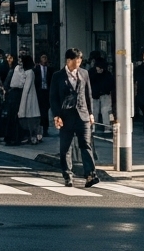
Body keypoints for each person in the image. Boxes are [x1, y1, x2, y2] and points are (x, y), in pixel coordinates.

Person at [49, 48, 100, 188]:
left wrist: (90, 113)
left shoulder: (84, 73)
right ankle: (67, 175)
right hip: (66, 116)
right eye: (76, 60)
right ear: (68, 60)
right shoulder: (57, 76)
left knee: (86, 145)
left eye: (80, 60)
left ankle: (90, 174)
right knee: (65, 147)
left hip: (82, 115)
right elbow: (53, 98)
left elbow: (88, 94)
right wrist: (56, 115)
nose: (78, 63)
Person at [9, 55, 42, 145]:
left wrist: (22, 107)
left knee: (30, 119)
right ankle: (31, 136)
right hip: (28, 98)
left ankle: (33, 136)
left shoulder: (29, 72)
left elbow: (26, 89)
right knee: (29, 119)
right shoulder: (27, 72)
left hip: (29, 99)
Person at [89, 55, 115, 133]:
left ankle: (101, 127)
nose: (99, 69)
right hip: (99, 94)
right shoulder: (107, 74)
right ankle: (104, 127)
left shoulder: (91, 72)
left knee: (102, 111)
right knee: (100, 111)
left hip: (98, 94)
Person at [34, 53, 52, 136]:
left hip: (46, 91)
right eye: (43, 57)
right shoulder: (36, 69)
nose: (44, 59)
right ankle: (40, 128)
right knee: (40, 110)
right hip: (39, 91)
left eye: (45, 58)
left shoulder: (49, 69)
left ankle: (45, 129)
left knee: (45, 111)